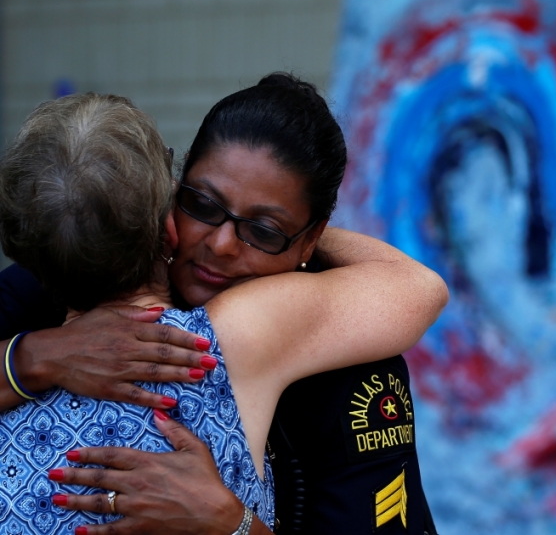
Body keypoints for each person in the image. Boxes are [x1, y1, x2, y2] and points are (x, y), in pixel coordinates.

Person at [0, 74, 443, 534]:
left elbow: (423, 289)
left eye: (264, 231)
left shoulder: (339, 349)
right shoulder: (71, 264)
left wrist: (231, 523)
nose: (224, 244)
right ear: (174, 198)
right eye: (204, 204)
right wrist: (33, 357)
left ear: (311, 237)